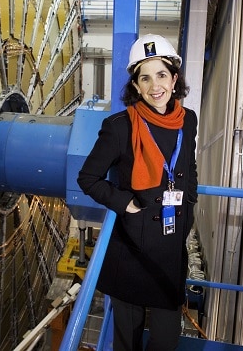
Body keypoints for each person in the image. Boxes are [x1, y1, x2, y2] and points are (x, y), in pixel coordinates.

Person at [77, 34, 198, 350]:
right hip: (130, 248)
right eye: (145, 78)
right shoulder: (120, 127)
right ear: (135, 86)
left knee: (165, 340)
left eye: (161, 75)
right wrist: (124, 203)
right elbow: (88, 178)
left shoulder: (188, 121)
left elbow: (190, 168)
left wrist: (191, 206)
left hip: (170, 249)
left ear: (174, 79)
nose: (154, 86)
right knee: (126, 341)